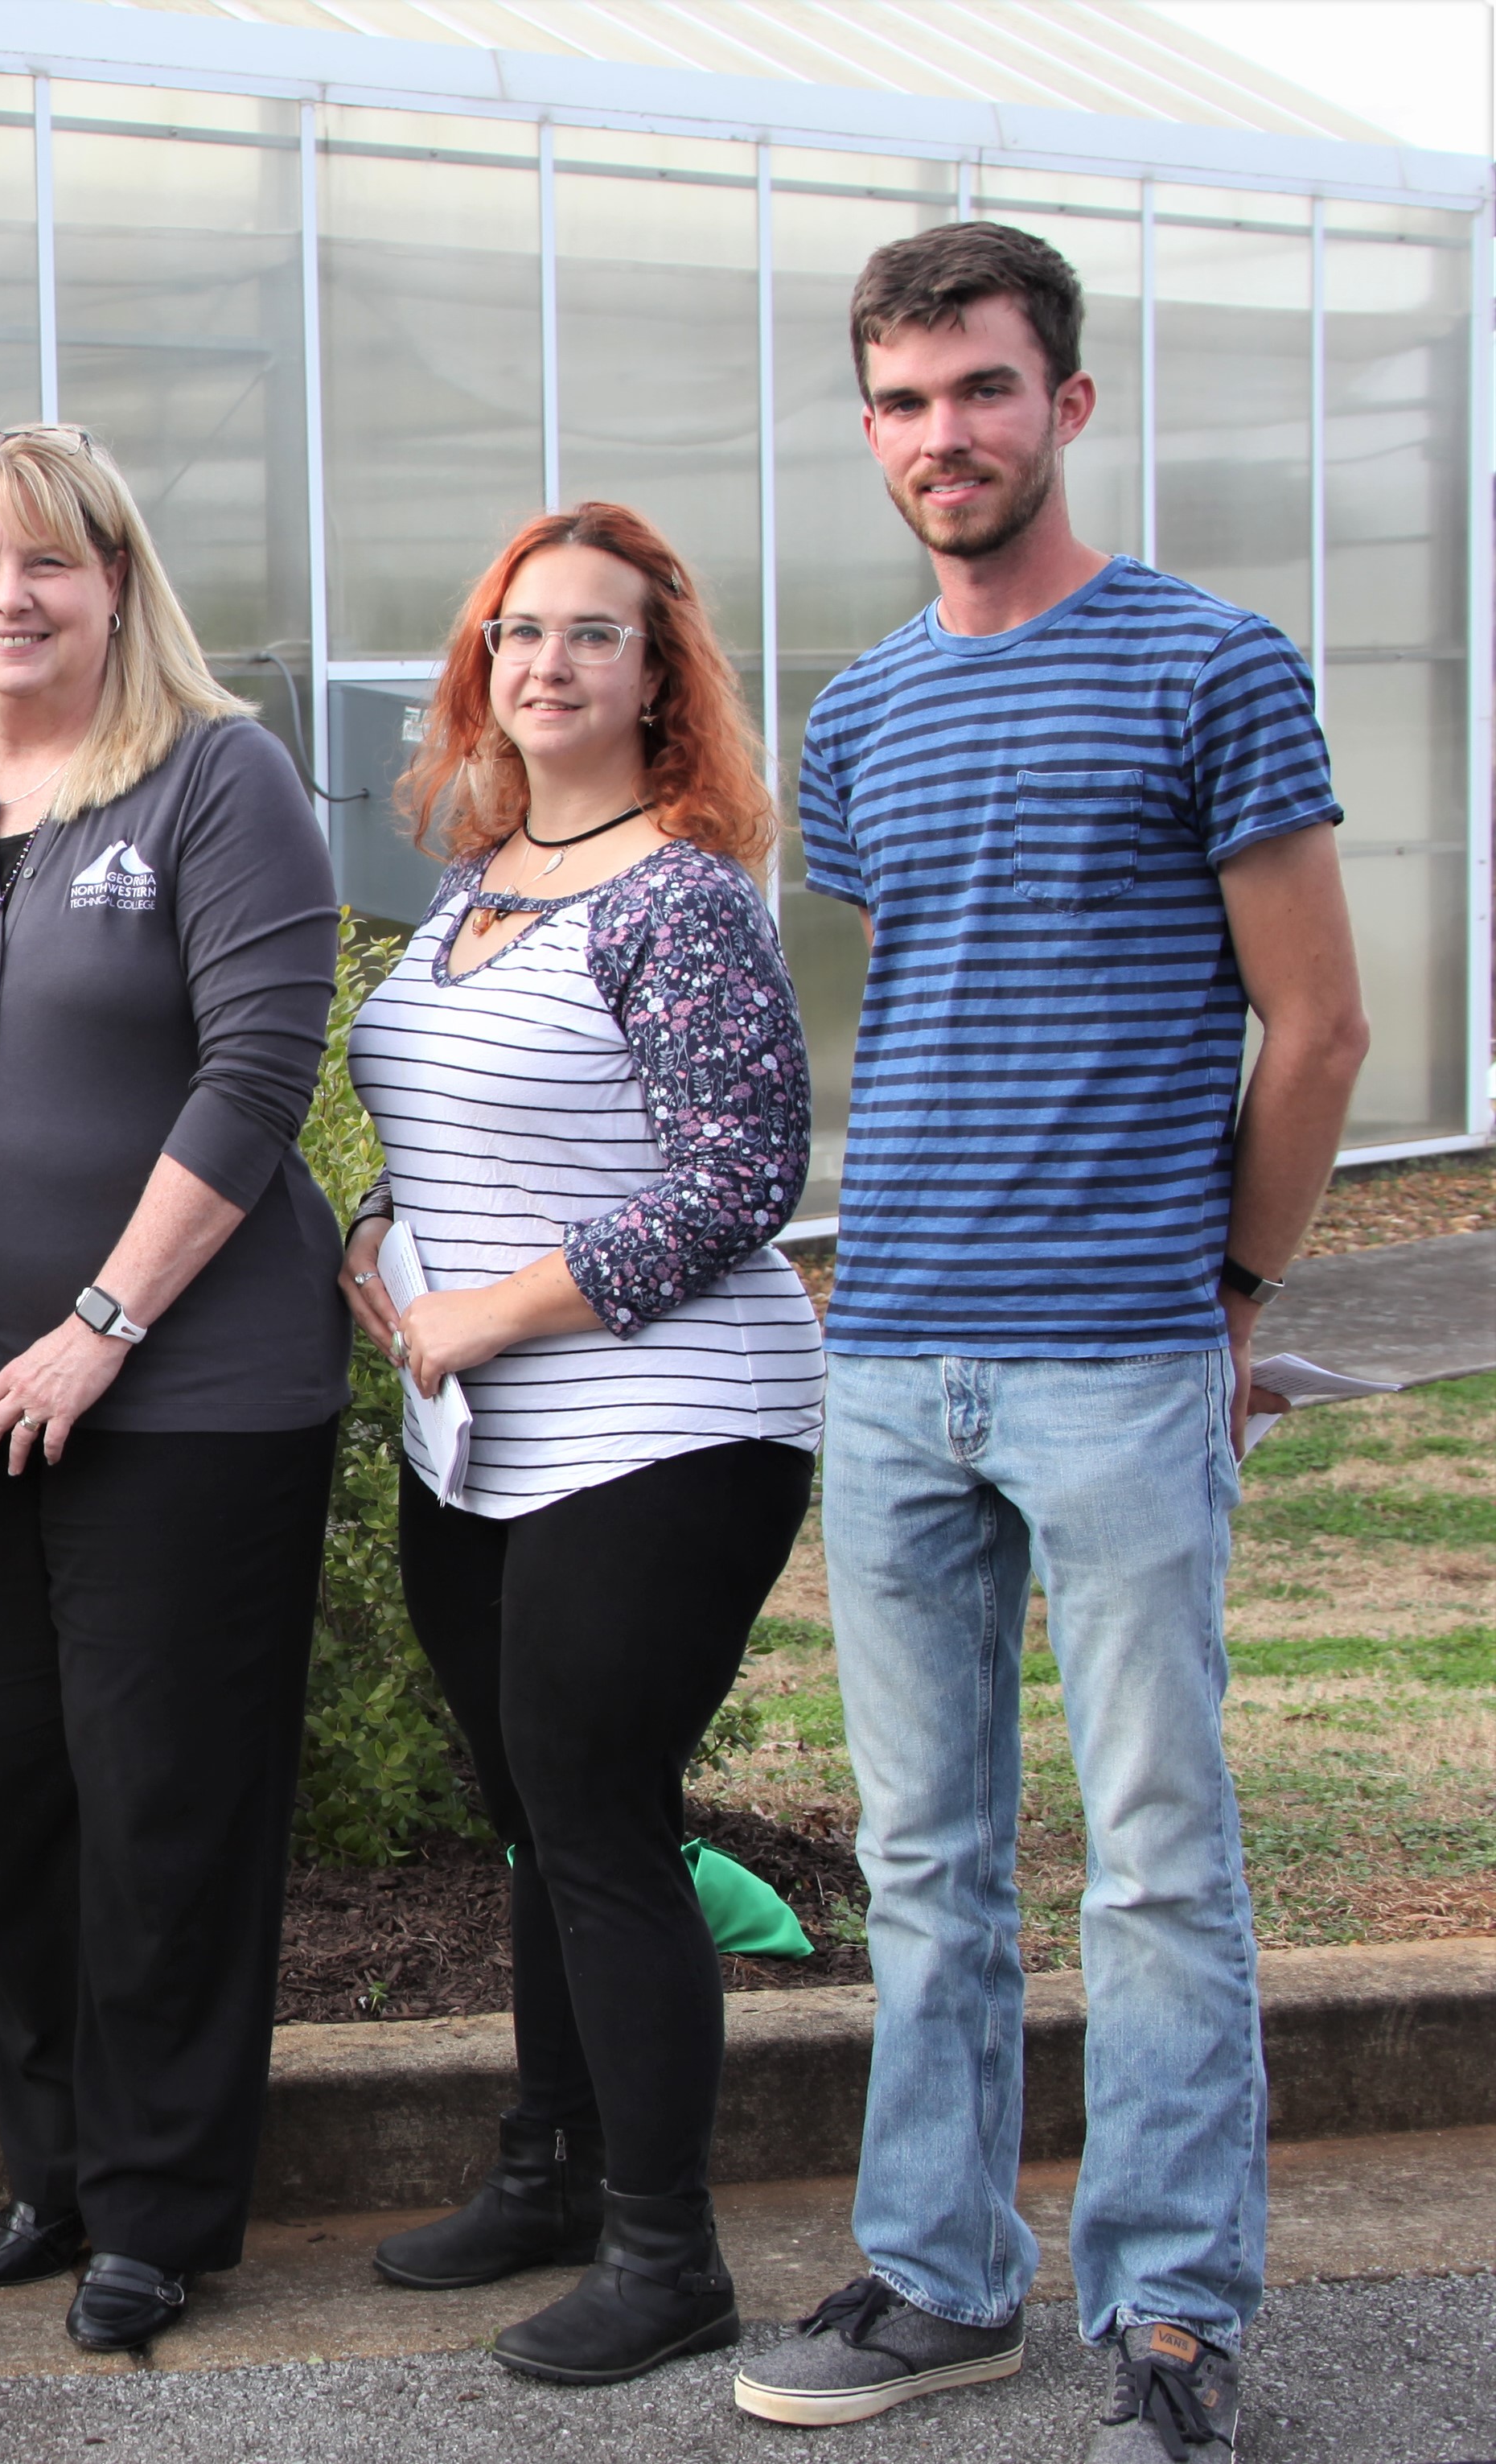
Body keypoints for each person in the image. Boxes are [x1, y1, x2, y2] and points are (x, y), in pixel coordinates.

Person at [728, 225, 1366, 2462]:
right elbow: (935, 1004)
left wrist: (1232, 1296)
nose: (940, 439)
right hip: (891, 1344)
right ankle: (941, 2274)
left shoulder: (1212, 665)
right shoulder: (863, 711)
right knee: (926, 1861)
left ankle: (1172, 2323)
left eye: (980, 392)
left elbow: (1315, 1024)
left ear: (1065, 406)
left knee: (1162, 1858)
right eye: (900, 403)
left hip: (1114, 1352)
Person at [0, 427, 347, 2356]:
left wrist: (97, 1322)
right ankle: (56, 2161)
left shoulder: (212, 779)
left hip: (188, 1396)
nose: (5, 597)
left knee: (162, 1797)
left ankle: (164, 2204)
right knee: (0, 1786)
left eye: (46, 563)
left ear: (117, 584)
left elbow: (257, 1073)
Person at [338, 503, 821, 2384]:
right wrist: (381, 1236)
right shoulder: (475, 884)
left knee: (598, 1812)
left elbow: (733, 1181)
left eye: (590, 635)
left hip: (669, 1419)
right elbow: (466, 1124)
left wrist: (489, 1306)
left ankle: (664, 2247)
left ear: (654, 676)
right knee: (531, 1813)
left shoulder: (679, 894)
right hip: (476, 1434)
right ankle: (544, 2166)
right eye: (515, 631)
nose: (544, 662)